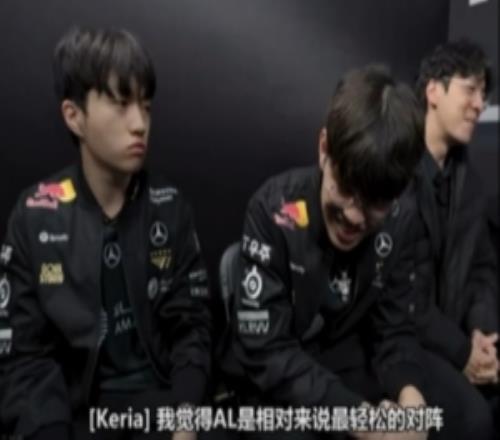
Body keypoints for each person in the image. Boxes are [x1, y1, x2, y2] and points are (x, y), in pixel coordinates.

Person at [0, 27, 211, 440]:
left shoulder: (170, 207)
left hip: (164, 411)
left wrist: (186, 419)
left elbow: (192, 330)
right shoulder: (34, 217)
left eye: (146, 106)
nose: (140, 124)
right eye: (121, 103)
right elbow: (24, 361)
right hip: (76, 417)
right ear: (74, 116)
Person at [220, 65, 430, 440]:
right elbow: (266, 351)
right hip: (280, 385)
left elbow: (395, 328)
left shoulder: (402, 219)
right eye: (346, 189)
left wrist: (411, 397)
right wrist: (354, 417)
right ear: (323, 149)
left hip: (351, 366)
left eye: (375, 203)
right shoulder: (271, 208)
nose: (354, 217)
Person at [412, 38, 498, 439]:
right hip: (401, 342)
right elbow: (400, 294)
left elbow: (482, 270)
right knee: (473, 420)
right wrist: (462, 353)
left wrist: (482, 332)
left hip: (456, 338)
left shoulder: (472, 187)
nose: (479, 104)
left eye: (484, 94)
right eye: (470, 89)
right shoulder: (393, 174)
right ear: (433, 90)